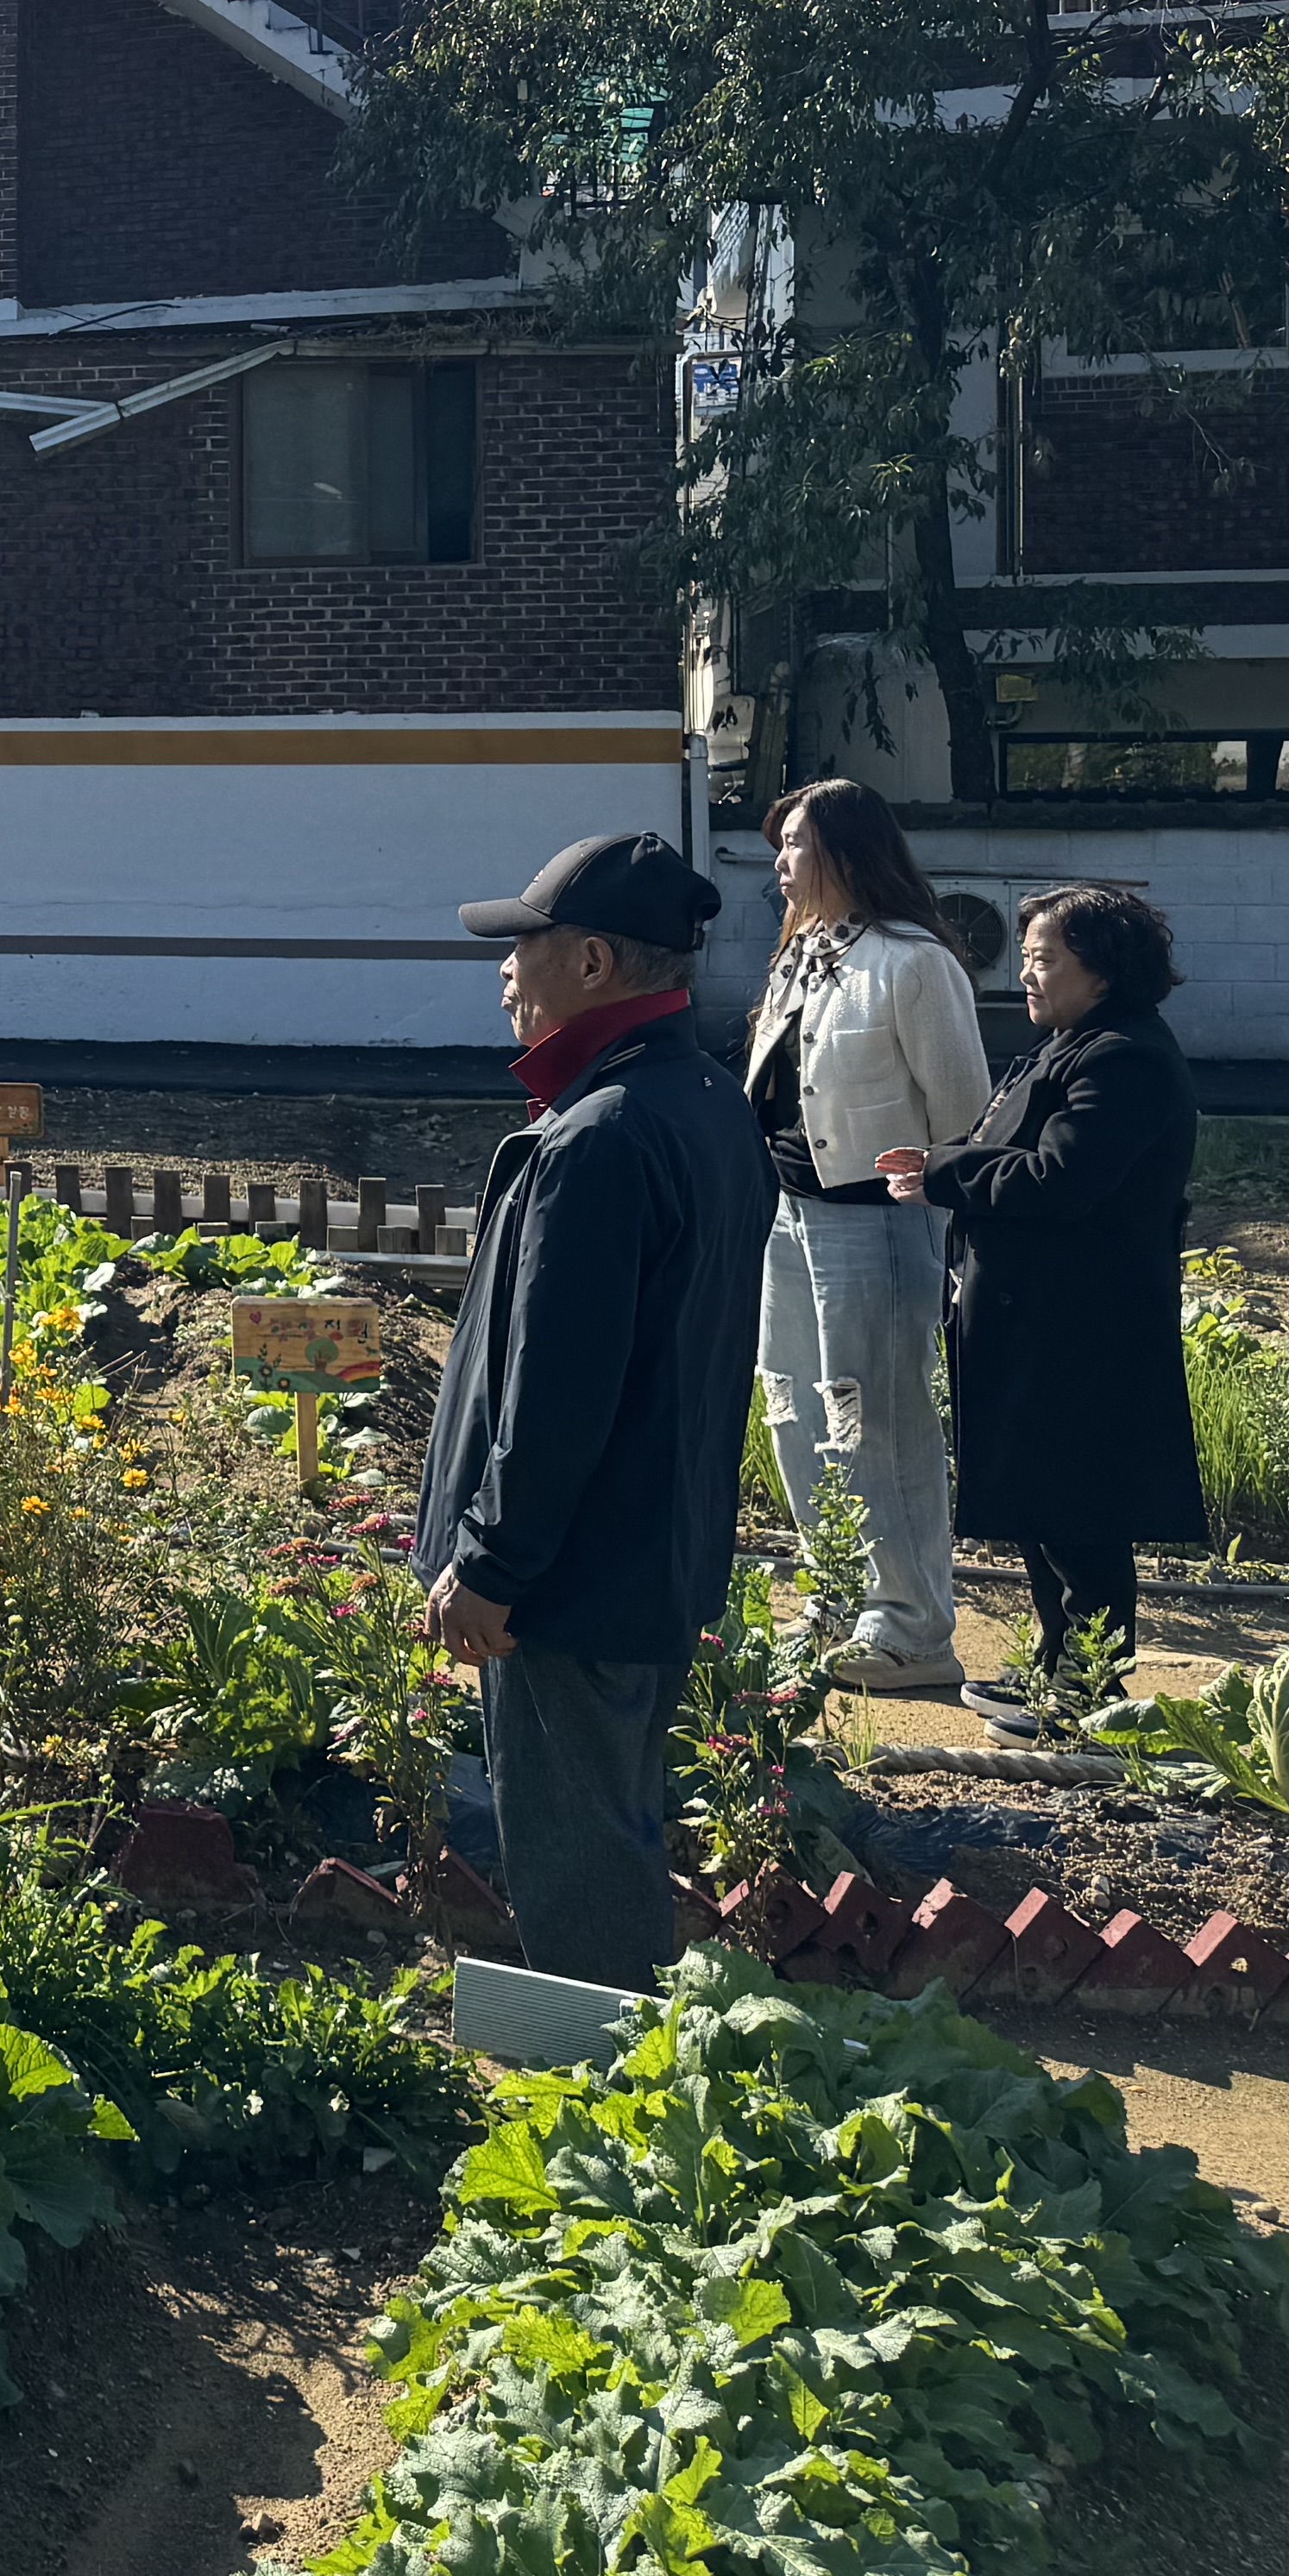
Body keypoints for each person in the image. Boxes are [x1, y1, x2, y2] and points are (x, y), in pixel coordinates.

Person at [418, 830, 772, 1991]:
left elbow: (560, 1392)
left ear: (595, 963)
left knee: (576, 1856)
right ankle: (637, 2078)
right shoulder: (705, 1103)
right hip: (652, 1539)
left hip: (572, 1570)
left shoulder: (600, 1140)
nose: (505, 970)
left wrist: (495, 1562)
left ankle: (611, 2112)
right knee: (612, 1820)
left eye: (525, 945)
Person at [883, 886, 1204, 1732]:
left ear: (1101, 969)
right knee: (1041, 1499)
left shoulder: (1123, 1059)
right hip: (1041, 1319)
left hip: (1082, 1325)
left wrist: (939, 1174)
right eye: (1024, 958)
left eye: (1043, 959)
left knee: (1080, 1508)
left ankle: (1087, 1693)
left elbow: (1063, 1181)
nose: (1026, 975)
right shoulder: (1069, 1045)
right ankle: (1055, 1669)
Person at [739, 778, 997, 1699]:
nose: (780, 861)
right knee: (793, 1408)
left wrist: (933, 1191)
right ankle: (841, 1587)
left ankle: (911, 1622)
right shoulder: (804, 955)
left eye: (796, 843)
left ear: (849, 852)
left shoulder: (912, 961)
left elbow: (965, 1110)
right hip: (789, 1213)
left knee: (871, 1418)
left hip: (875, 1225)